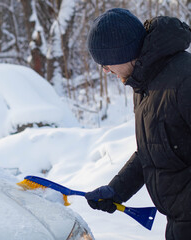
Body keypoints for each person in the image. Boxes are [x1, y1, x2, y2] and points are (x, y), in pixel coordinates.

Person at [85, 8, 191, 240]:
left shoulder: (184, 79)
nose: (105, 70)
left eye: (106, 63)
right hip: (178, 223)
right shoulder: (145, 84)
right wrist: (117, 190)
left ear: (124, 52)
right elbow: (153, 149)